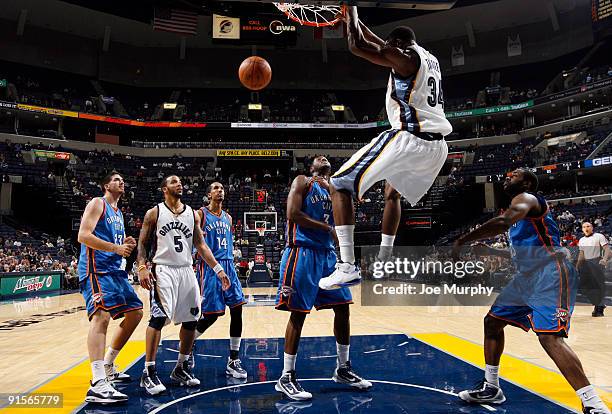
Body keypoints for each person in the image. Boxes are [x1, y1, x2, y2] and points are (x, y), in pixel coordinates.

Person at [452, 169, 610, 414]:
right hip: (526, 278)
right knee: (492, 323)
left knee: (549, 337)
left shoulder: (528, 198)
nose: (506, 176)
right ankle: (492, 387)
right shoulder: (519, 216)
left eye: (513, 174)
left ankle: (592, 403)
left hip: (551, 274)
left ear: (526, 182)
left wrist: (462, 240)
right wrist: (494, 253)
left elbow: (503, 222)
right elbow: (519, 253)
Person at [320, 7, 451, 290]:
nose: (385, 52)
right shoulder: (428, 58)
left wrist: (350, 7)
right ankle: (384, 258)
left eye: (391, 48)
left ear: (400, 47)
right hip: (437, 148)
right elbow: (379, 45)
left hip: (409, 138)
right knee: (392, 194)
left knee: (339, 184)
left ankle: (347, 266)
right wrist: (352, 21)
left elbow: (358, 46)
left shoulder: (407, 60)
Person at [275, 156, 371, 401]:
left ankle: (343, 368)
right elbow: (292, 213)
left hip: (328, 256)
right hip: (302, 251)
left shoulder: (336, 189)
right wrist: (327, 229)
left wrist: (341, 245)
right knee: (298, 314)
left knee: (343, 308)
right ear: (312, 168)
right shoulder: (303, 182)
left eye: (325, 157)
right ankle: (286, 376)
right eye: (317, 158)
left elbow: (342, 223)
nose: (322, 157)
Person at [136, 175, 230, 395]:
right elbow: (142, 242)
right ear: (164, 189)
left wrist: (218, 269)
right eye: (174, 182)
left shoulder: (191, 214)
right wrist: (141, 267)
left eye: (181, 181)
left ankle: (181, 366)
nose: (180, 184)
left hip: (186, 270)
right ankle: (148, 372)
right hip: (163, 269)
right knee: (158, 318)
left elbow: (200, 244)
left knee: (191, 320)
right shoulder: (154, 213)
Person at [77, 171, 143, 404]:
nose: (121, 182)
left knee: (135, 313)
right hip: (97, 270)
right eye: (116, 180)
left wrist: (125, 244)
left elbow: (115, 242)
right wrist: (115, 248)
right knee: (101, 317)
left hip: (115, 272)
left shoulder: (118, 212)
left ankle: (108, 364)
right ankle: (97, 383)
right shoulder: (98, 203)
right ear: (106, 185)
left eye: (123, 180)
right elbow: (83, 236)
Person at [191, 182, 248, 379]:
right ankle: (188, 344)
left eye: (222, 188)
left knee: (238, 308)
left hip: (229, 265)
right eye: (215, 188)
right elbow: (193, 240)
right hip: (210, 267)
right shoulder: (200, 214)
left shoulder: (229, 218)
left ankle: (233, 359)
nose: (220, 190)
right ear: (208, 194)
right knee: (211, 315)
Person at [577, 222, 611, 317]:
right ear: (582, 229)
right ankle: (599, 304)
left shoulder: (599, 236)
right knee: (584, 286)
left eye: (588, 226)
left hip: (596, 261)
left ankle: (598, 307)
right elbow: (581, 254)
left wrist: (604, 259)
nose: (586, 228)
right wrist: (577, 266)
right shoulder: (581, 240)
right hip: (586, 263)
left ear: (592, 228)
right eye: (584, 227)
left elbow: (607, 249)